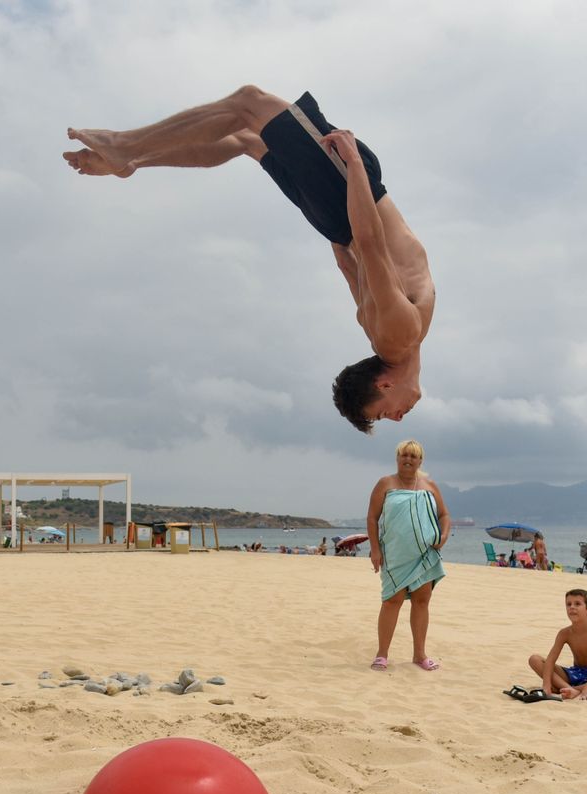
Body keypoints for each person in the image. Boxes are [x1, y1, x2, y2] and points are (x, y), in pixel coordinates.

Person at [64, 86, 436, 433]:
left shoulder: (396, 337)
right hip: (343, 213)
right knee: (248, 140)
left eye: (385, 414)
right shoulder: (380, 333)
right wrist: (344, 185)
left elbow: (367, 248)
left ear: (383, 382)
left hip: (351, 203)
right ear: (383, 383)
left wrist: (353, 167)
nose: (397, 418)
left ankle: (124, 147)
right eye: (387, 414)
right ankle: (133, 159)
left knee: (249, 105)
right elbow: (352, 259)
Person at [366, 439, 449, 672]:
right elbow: (372, 517)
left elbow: (444, 515)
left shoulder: (429, 485)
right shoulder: (385, 483)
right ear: (397, 458)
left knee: (422, 602)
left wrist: (443, 537)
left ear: (420, 460)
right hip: (395, 554)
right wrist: (375, 550)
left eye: (413, 456)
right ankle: (382, 654)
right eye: (404, 455)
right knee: (392, 601)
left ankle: (419, 655)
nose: (408, 459)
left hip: (425, 554)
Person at [527, 588, 587, 700]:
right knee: (535, 659)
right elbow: (550, 661)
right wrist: (546, 685)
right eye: (568, 604)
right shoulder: (564, 633)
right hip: (574, 673)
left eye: (577, 604)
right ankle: (568, 688)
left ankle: (570, 689)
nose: (572, 607)